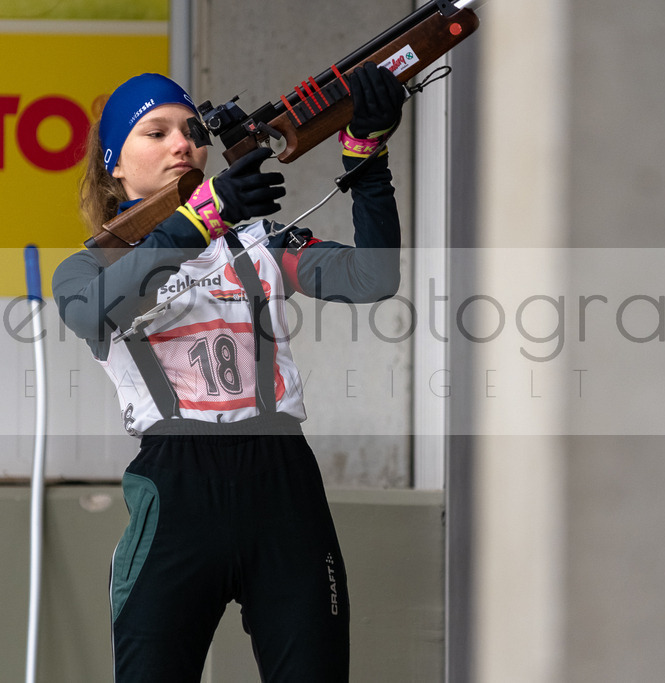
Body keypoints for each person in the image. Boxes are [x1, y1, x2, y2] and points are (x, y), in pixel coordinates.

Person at [52, 64, 405, 682]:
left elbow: (372, 278)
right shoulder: (85, 271)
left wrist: (366, 156)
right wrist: (198, 220)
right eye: (154, 133)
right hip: (177, 490)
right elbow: (93, 313)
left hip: (282, 483)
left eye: (190, 130)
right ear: (114, 165)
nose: (181, 143)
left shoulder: (259, 240)